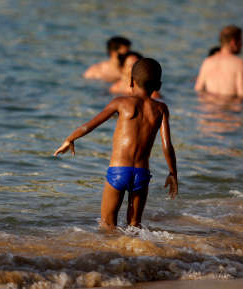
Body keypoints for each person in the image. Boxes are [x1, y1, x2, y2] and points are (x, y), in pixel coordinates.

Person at [54, 58, 178, 230]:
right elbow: (167, 146)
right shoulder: (161, 108)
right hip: (142, 174)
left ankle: (113, 256)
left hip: (118, 172)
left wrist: (70, 139)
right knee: (134, 226)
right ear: (158, 85)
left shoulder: (120, 102)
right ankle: (136, 256)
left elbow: (89, 125)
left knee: (107, 225)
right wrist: (173, 173)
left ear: (131, 81)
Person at [195, 25, 243, 100]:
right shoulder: (238, 63)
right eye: (241, 41)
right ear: (233, 42)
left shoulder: (208, 61)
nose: (242, 44)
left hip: (208, 109)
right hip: (228, 109)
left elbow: (198, 89)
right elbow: (242, 94)